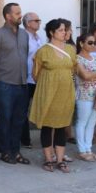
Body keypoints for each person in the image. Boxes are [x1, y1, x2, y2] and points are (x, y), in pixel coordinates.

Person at [29, 19, 76, 173]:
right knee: (48, 126)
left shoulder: (70, 49)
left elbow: (73, 69)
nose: (65, 33)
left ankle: (60, 160)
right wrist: (49, 83)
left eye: (65, 30)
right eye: (61, 30)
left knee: (62, 126)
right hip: (48, 93)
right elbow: (35, 74)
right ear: (52, 32)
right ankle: (49, 159)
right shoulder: (43, 51)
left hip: (65, 93)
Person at [0, 2, 30, 165]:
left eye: (20, 12)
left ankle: (16, 151)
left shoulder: (25, 35)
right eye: (17, 13)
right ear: (8, 16)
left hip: (22, 83)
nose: (20, 15)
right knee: (5, 118)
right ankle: (5, 151)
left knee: (19, 119)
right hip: (5, 83)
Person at [74, 33, 96, 161]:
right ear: (81, 44)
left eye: (94, 42)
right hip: (84, 95)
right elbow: (85, 76)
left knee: (92, 123)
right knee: (82, 122)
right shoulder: (77, 59)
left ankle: (88, 148)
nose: (93, 45)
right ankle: (82, 150)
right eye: (90, 42)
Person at [20, 12, 43, 149]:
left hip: (38, 78)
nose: (39, 22)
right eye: (36, 20)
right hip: (27, 78)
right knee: (23, 110)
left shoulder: (38, 37)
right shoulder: (23, 37)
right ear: (28, 23)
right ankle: (25, 139)